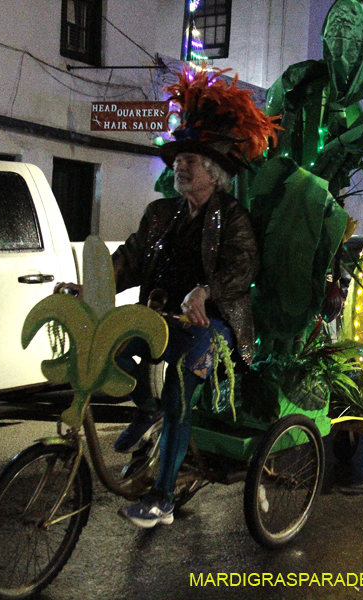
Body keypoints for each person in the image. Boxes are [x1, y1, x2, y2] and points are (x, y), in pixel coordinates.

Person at [110, 65, 277, 528]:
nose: (180, 165)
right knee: (112, 347)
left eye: (192, 159)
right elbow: (130, 258)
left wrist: (207, 292)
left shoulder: (234, 217)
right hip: (159, 317)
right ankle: (145, 409)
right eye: (180, 158)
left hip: (214, 327)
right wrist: (93, 282)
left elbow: (243, 268)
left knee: (181, 391)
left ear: (214, 171)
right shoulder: (160, 213)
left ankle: (162, 498)